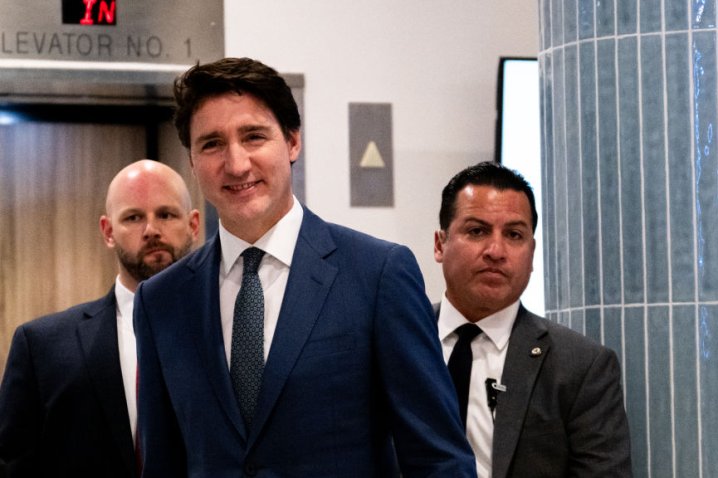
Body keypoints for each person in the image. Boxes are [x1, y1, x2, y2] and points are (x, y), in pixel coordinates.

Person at [133, 57, 475, 477]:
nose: (236, 163)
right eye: (212, 144)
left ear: (293, 142)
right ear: (191, 162)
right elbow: (162, 465)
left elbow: (438, 458)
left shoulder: (377, 275)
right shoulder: (161, 301)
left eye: (253, 137)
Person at [0, 159, 200, 477]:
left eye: (166, 214)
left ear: (193, 224)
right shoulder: (41, 346)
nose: (151, 230)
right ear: (108, 232)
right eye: (133, 217)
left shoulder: (228, 332)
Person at [433, 161, 632, 477]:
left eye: (514, 234)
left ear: (532, 252)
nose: (496, 250)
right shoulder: (393, 343)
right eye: (477, 231)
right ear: (440, 244)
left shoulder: (581, 367)